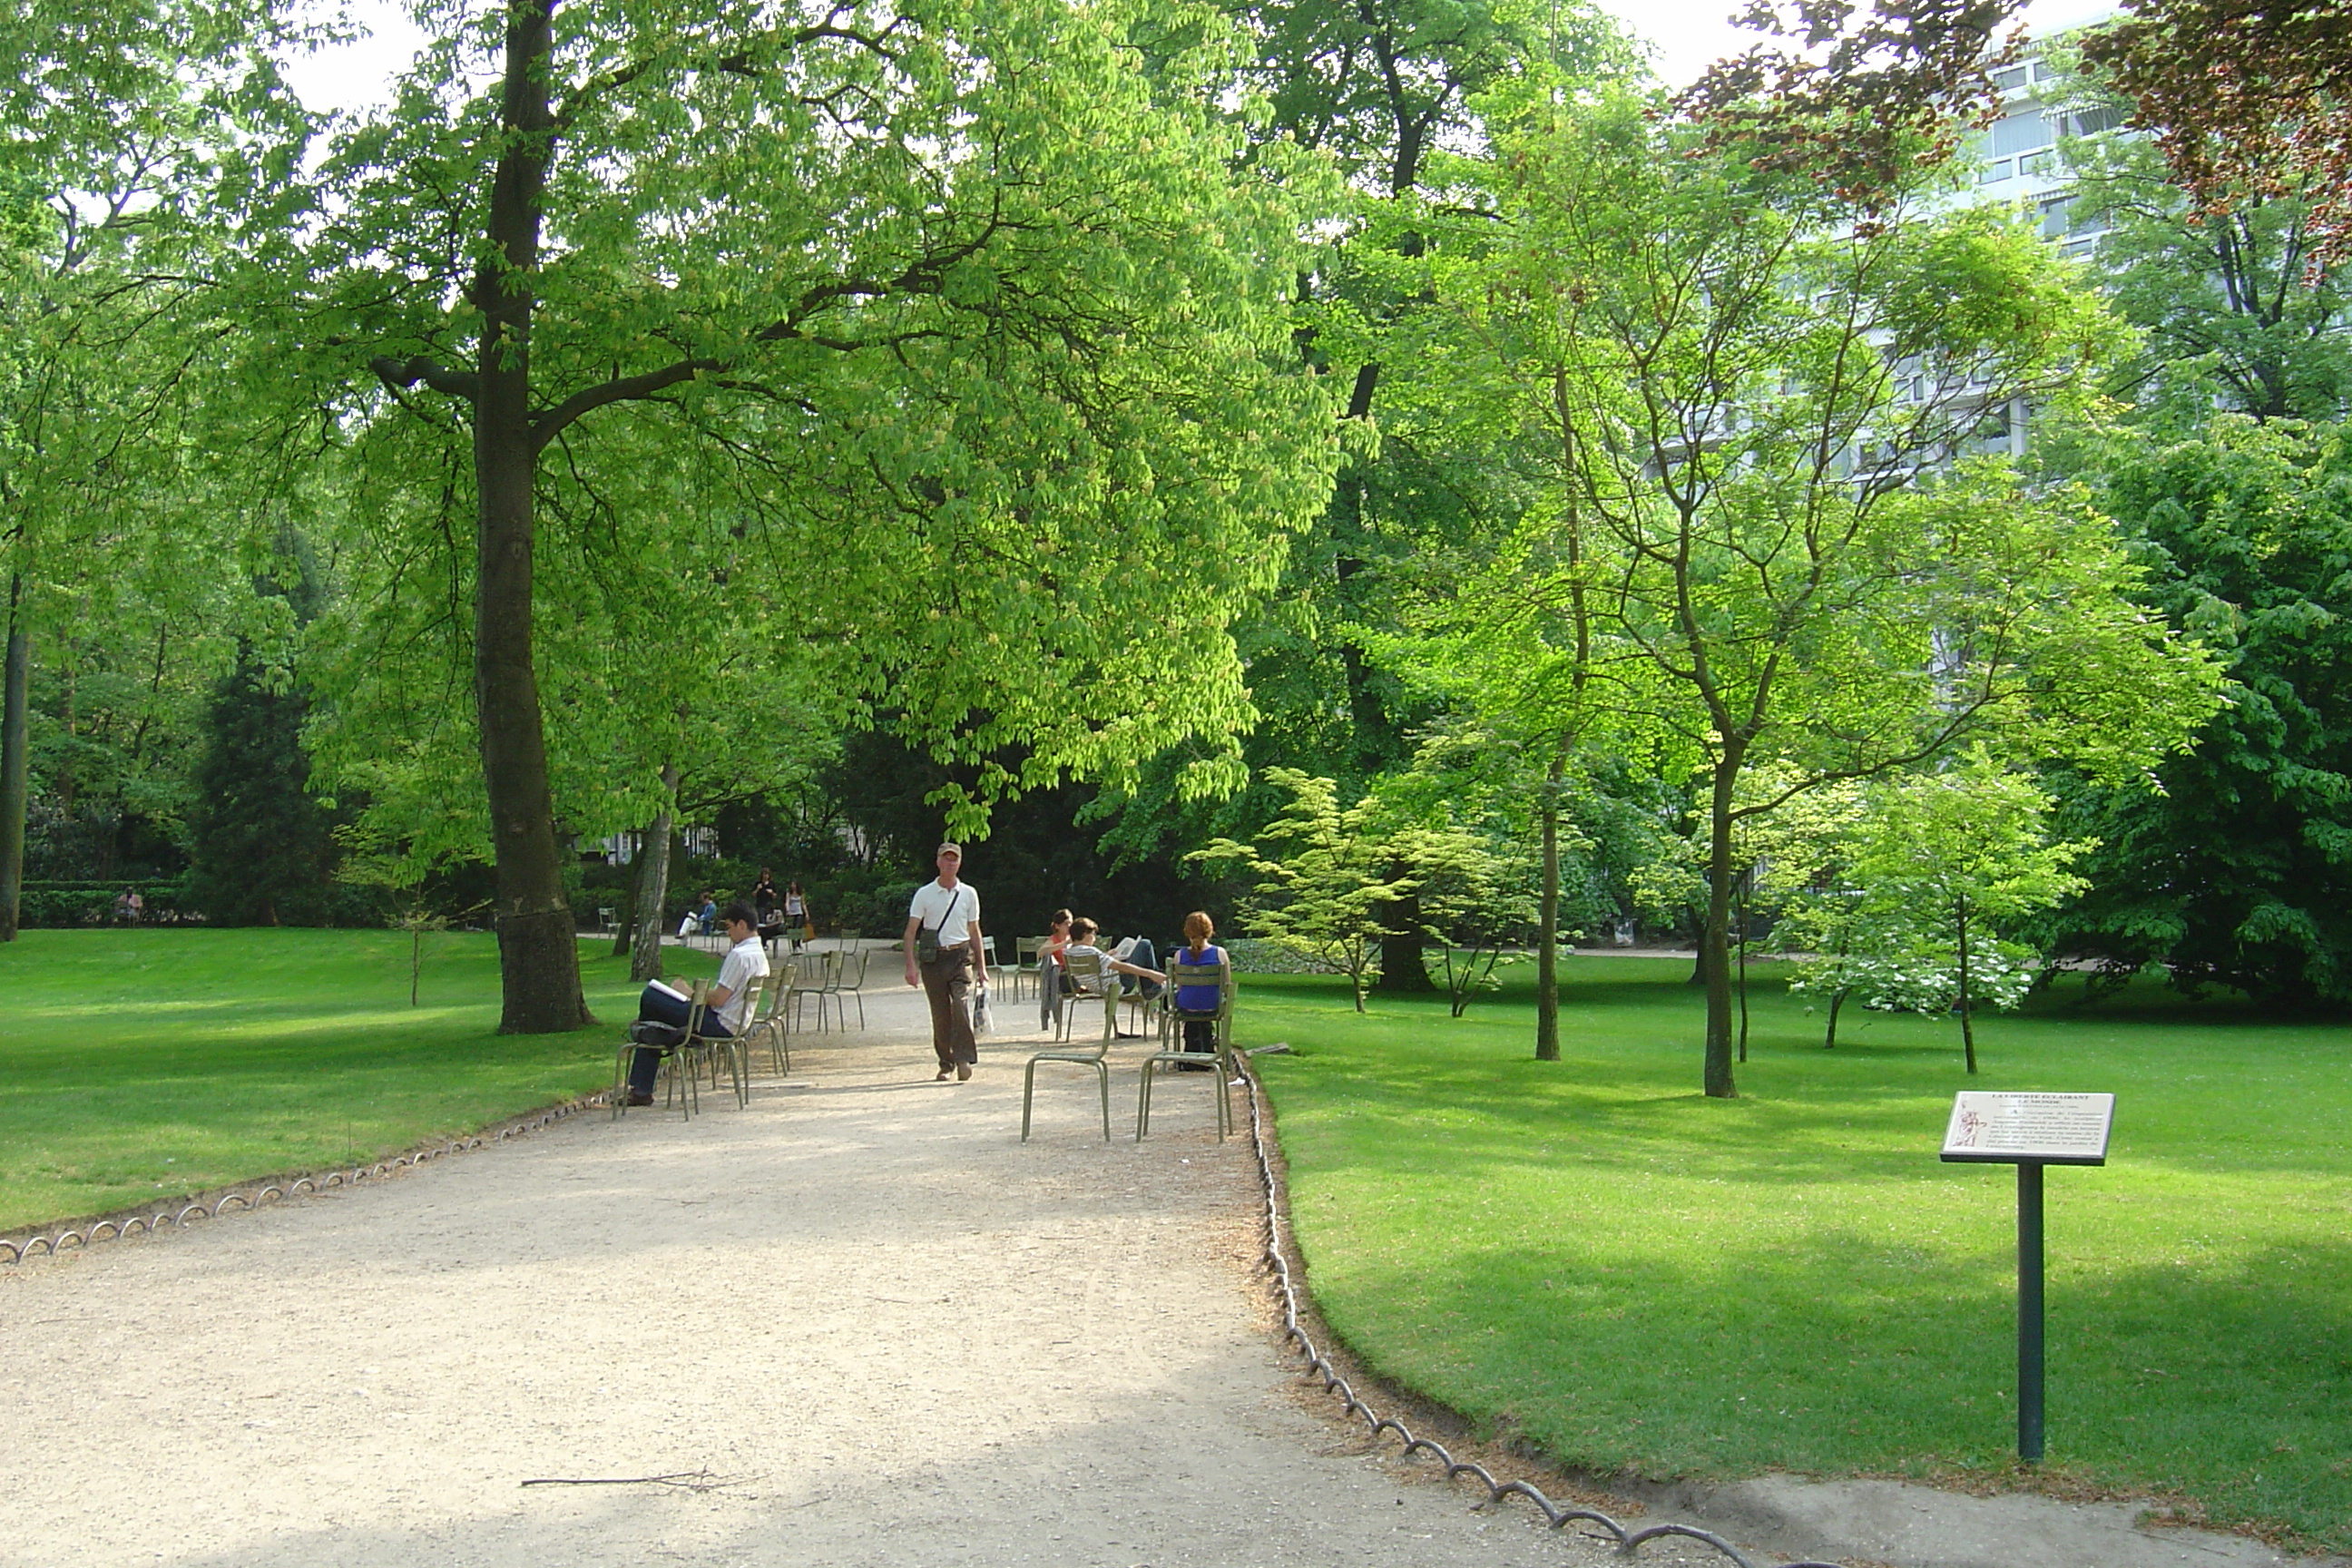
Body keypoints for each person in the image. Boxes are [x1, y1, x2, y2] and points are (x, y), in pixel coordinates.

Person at [624, 901, 769, 1105]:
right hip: (738, 1023)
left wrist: (689, 993)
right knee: (654, 1018)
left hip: (719, 1023)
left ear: (742, 925)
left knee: (650, 996)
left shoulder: (739, 955)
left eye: (729, 927)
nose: (728, 933)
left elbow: (718, 1000)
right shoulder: (759, 955)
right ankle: (659, 1036)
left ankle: (644, 1079)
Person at [903, 843, 989, 1081]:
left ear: (959, 863)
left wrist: (982, 967)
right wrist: (911, 966)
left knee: (959, 1007)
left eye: (954, 859)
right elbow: (911, 932)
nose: (949, 863)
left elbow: (974, 931)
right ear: (938, 861)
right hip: (934, 959)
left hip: (960, 957)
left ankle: (963, 1059)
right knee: (940, 1014)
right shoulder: (925, 894)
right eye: (945, 859)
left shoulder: (969, 893)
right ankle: (946, 1063)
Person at [1060, 918, 1164, 1039]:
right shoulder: (1091, 951)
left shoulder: (1068, 952)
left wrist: (1107, 955)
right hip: (1117, 985)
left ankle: (1151, 987)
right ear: (1084, 934)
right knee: (1145, 944)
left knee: (1135, 954)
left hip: (1099, 986)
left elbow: (1094, 965)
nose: (1095, 937)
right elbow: (1121, 967)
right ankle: (1152, 988)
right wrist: (1151, 974)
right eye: (1093, 934)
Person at [1169, 910, 1230, 1070]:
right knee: (1205, 1008)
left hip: (1187, 1006)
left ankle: (1190, 1054)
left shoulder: (1179, 955)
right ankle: (1208, 1051)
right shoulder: (1220, 953)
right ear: (1209, 931)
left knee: (1185, 1000)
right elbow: (1226, 985)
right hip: (1211, 1005)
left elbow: (1180, 986)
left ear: (1187, 931)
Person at [1037, 908, 1073, 1034]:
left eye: (1070, 923)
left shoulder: (1074, 938)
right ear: (1057, 926)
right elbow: (1041, 952)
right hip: (1062, 976)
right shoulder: (1054, 939)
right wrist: (1063, 944)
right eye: (1066, 924)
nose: (1069, 926)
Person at [782, 879, 810, 951]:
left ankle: (798, 943)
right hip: (792, 913)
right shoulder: (789, 893)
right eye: (792, 884)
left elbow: (803, 904)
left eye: (794, 884)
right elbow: (787, 902)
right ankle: (794, 946)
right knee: (793, 929)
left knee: (798, 928)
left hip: (799, 912)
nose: (793, 886)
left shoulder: (800, 894)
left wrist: (806, 913)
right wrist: (787, 910)